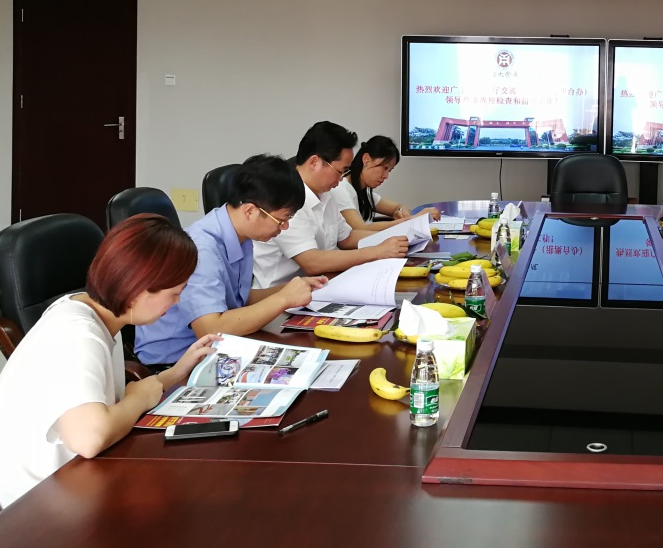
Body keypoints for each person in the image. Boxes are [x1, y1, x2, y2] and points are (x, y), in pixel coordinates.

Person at [0, 215, 221, 507]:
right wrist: (138, 400)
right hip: (29, 507)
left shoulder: (97, 312)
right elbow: (89, 438)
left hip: (70, 481)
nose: (177, 303)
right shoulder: (78, 335)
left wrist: (174, 373)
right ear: (138, 290)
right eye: (174, 294)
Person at [135, 154, 329, 367]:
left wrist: (289, 289)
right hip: (175, 363)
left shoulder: (238, 232)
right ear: (250, 211)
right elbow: (210, 329)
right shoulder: (202, 248)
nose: (285, 227)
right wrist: (284, 299)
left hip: (213, 349)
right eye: (282, 220)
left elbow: (238, 298)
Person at [251, 121, 407, 289]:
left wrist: (395, 240)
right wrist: (377, 251)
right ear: (314, 162)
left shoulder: (326, 194)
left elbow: (347, 238)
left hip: (320, 287)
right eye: (340, 171)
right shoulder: (286, 197)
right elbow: (312, 262)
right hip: (281, 296)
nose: (341, 179)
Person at [332, 135, 441, 232]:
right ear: (366, 159)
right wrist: (414, 219)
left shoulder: (364, 192)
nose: (386, 176)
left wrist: (401, 211)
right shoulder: (341, 189)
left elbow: (399, 206)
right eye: (384, 168)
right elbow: (361, 229)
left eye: (389, 170)